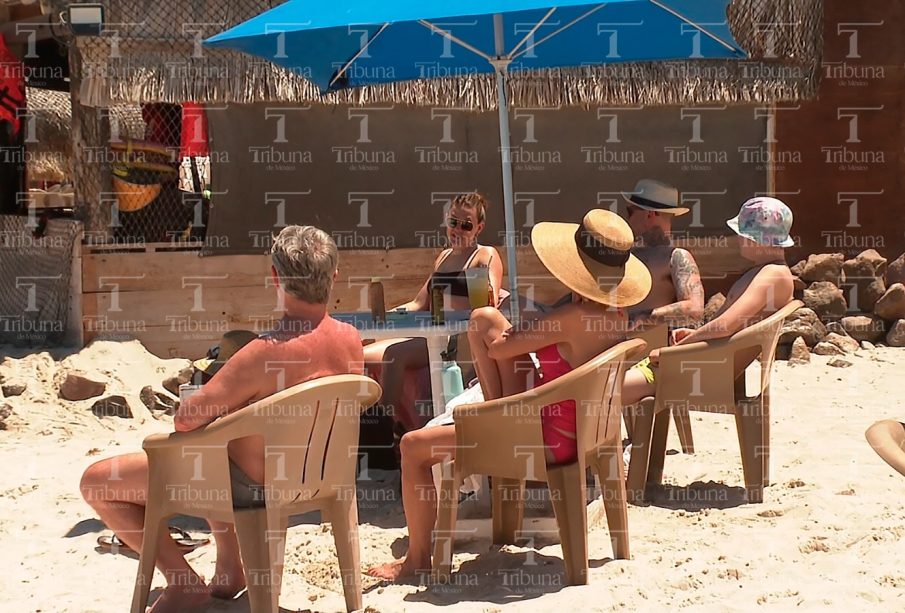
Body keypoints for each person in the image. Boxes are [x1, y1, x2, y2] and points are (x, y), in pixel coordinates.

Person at [79, 226, 365, 613]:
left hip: (251, 488)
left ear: (276, 278)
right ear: (334, 276)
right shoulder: (350, 340)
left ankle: (182, 582)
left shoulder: (262, 353)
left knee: (98, 482)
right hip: (323, 478)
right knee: (225, 436)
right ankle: (231, 569)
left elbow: (185, 419)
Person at [367, 209, 652, 581]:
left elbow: (502, 348)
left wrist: (496, 323)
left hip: (542, 440)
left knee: (412, 447)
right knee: (485, 319)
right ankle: (493, 410)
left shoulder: (570, 317)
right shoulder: (616, 314)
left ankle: (418, 559)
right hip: (586, 431)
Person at [623, 196, 796, 407]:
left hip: (697, 371)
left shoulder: (772, 275)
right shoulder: (770, 272)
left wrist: (676, 350)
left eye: (741, 234)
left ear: (754, 238)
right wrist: (693, 336)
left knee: (602, 391)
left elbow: (725, 326)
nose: (738, 240)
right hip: (704, 363)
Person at [362, 192, 503, 448]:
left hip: (457, 340)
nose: (458, 229)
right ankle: (366, 427)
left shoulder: (484, 256)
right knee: (362, 352)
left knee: (394, 354)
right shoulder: (444, 258)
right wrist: (384, 319)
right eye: (453, 222)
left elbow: (489, 302)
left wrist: (477, 283)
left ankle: (382, 438)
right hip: (430, 332)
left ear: (479, 228)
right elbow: (419, 303)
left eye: (466, 225)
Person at [623, 178, 704, 329]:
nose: (628, 218)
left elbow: (694, 309)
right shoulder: (628, 254)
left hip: (652, 347)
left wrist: (641, 317)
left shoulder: (676, 257)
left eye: (630, 211)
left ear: (649, 214)